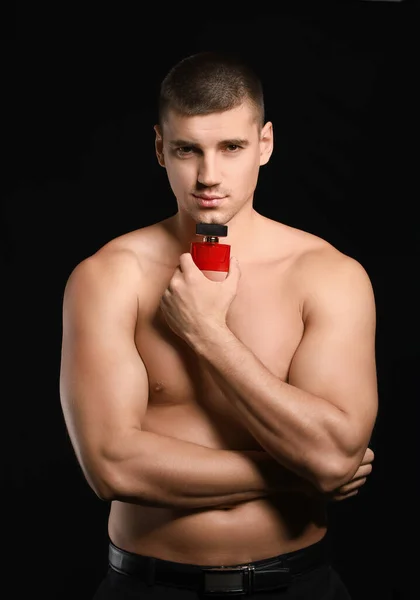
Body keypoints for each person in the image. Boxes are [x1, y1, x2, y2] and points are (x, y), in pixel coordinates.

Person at [59, 51, 378, 599]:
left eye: (231, 147)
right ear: (161, 148)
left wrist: (208, 334)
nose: (209, 176)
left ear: (265, 144)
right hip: (149, 587)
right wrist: (297, 473)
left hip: (301, 585)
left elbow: (333, 450)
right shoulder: (109, 277)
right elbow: (113, 468)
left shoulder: (329, 276)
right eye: (188, 150)